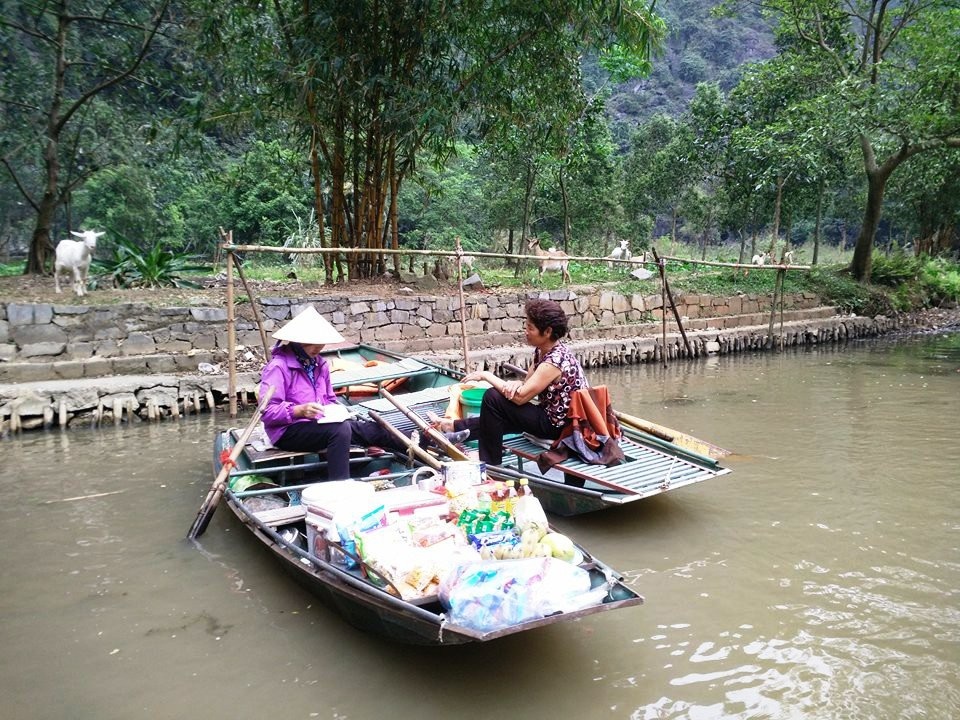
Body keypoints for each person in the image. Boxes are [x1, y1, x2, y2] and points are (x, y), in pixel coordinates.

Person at [432, 298, 588, 465]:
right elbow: (527, 384)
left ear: (548, 331)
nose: (525, 331)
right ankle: (453, 427)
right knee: (498, 415)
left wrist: (486, 376)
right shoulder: (542, 351)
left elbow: (521, 398)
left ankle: (489, 458)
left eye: (530, 328)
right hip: (548, 416)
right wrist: (517, 384)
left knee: (493, 397)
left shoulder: (555, 360)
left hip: (559, 427)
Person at [259, 305, 401, 481]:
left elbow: (330, 400)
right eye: (312, 343)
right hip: (288, 431)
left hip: (320, 423)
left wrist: (338, 411)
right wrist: (299, 411)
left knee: (373, 429)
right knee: (339, 430)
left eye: (321, 343)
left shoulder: (321, 365)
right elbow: (267, 412)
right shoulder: (278, 367)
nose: (318, 348)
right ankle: (340, 484)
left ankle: (420, 450)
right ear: (297, 341)